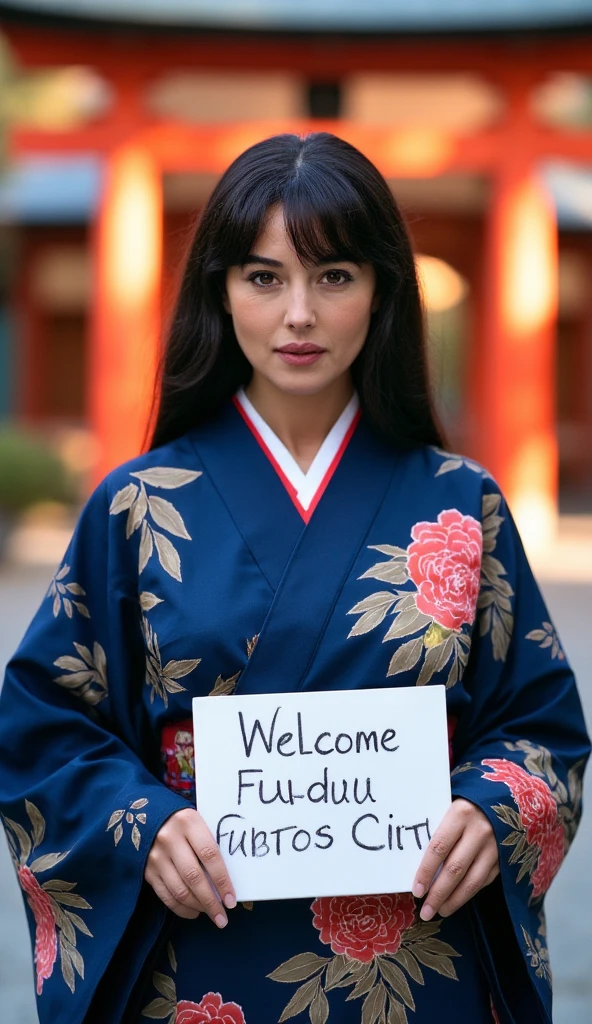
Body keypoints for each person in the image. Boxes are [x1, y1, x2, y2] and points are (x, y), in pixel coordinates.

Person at [0, 132, 588, 1024]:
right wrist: (143, 820)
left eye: (335, 276)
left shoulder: (462, 506)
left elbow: (540, 725)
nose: (299, 314)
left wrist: (494, 808)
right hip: (194, 957)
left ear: (384, 288)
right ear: (221, 291)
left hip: (417, 963)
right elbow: (43, 724)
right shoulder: (134, 506)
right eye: (264, 277)